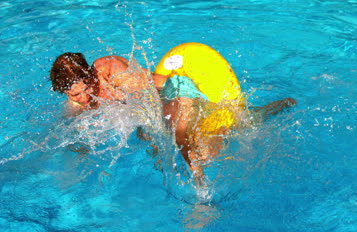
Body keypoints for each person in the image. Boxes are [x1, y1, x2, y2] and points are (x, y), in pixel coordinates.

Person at [50, 52, 296, 183]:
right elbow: (68, 127)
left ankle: (201, 193)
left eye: (85, 89)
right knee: (157, 142)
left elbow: (156, 102)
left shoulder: (113, 71)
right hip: (161, 104)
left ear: (90, 74)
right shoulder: (76, 96)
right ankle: (265, 112)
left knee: (196, 148)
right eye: (74, 94)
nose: (83, 98)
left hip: (178, 91)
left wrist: (172, 136)